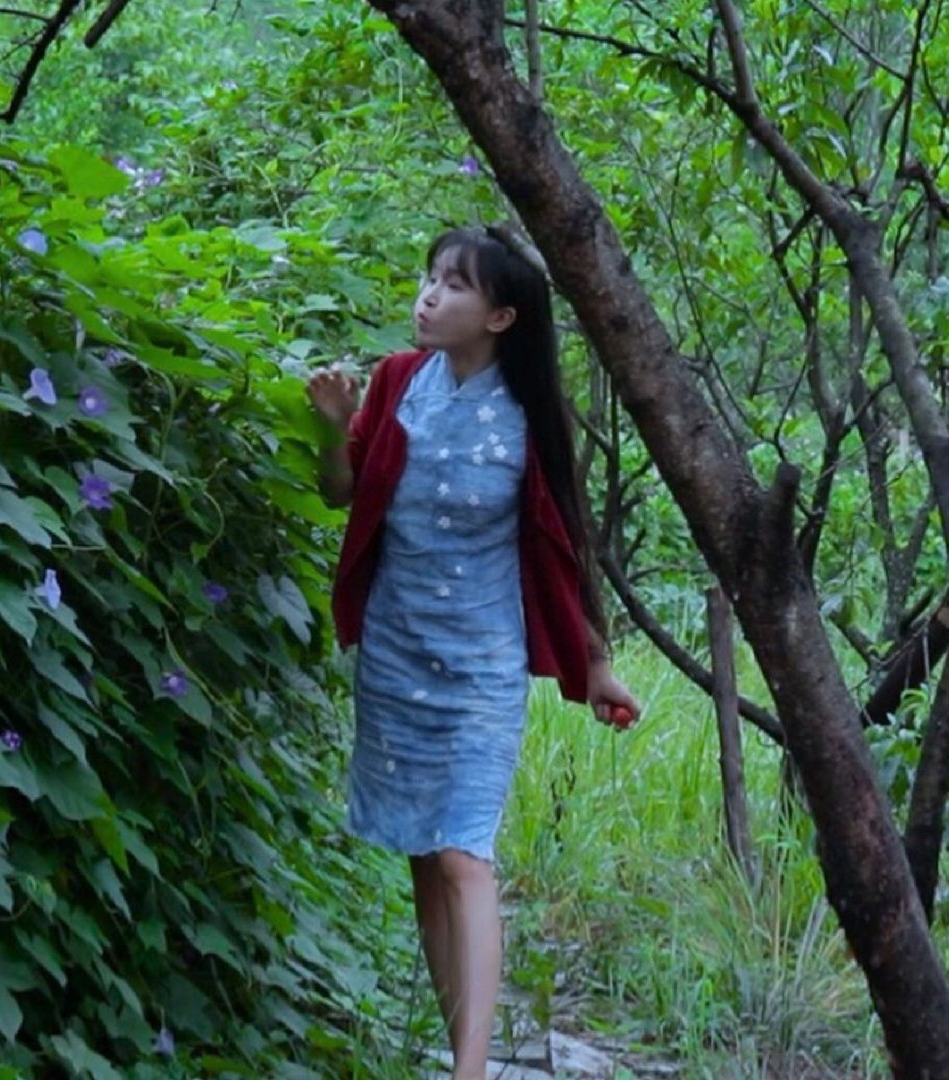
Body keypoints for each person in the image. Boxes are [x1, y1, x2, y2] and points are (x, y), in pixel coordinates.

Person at [305, 225, 639, 1079]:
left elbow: (563, 547)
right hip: (395, 655)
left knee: (462, 853)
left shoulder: (529, 417)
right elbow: (341, 493)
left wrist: (595, 663)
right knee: (426, 858)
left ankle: (472, 1071)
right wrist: (334, 429)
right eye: (430, 278)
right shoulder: (397, 382)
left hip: (481, 666)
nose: (429, 295)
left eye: (454, 285)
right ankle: (466, 1052)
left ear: (500, 316)